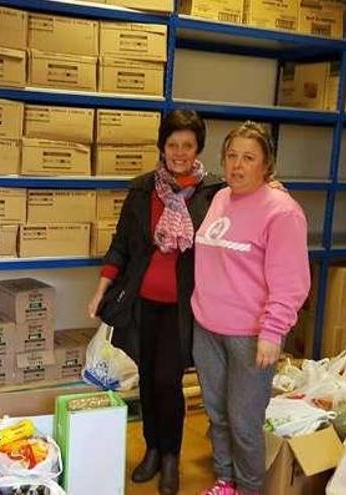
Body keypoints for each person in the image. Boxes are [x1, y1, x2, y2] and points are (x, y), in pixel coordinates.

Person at [87, 110, 223, 495]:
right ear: (162, 147)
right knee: (147, 380)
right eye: (172, 144)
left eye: (188, 145)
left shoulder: (215, 194)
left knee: (168, 382)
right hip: (141, 304)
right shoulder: (143, 189)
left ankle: (170, 458)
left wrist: (272, 187)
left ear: (198, 148)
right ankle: (151, 449)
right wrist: (100, 291)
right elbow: (121, 245)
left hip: (183, 308)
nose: (179, 152)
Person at [192, 122, 310, 495]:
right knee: (216, 414)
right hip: (207, 327)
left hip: (250, 334)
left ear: (266, 165)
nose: (237, 166)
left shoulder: (282, 212)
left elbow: (291, 281)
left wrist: (273, 331)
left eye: (248, 158)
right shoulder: (221, 198)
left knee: (244, 420)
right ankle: (225, 481)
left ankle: (249, 488)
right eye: (231, 156)